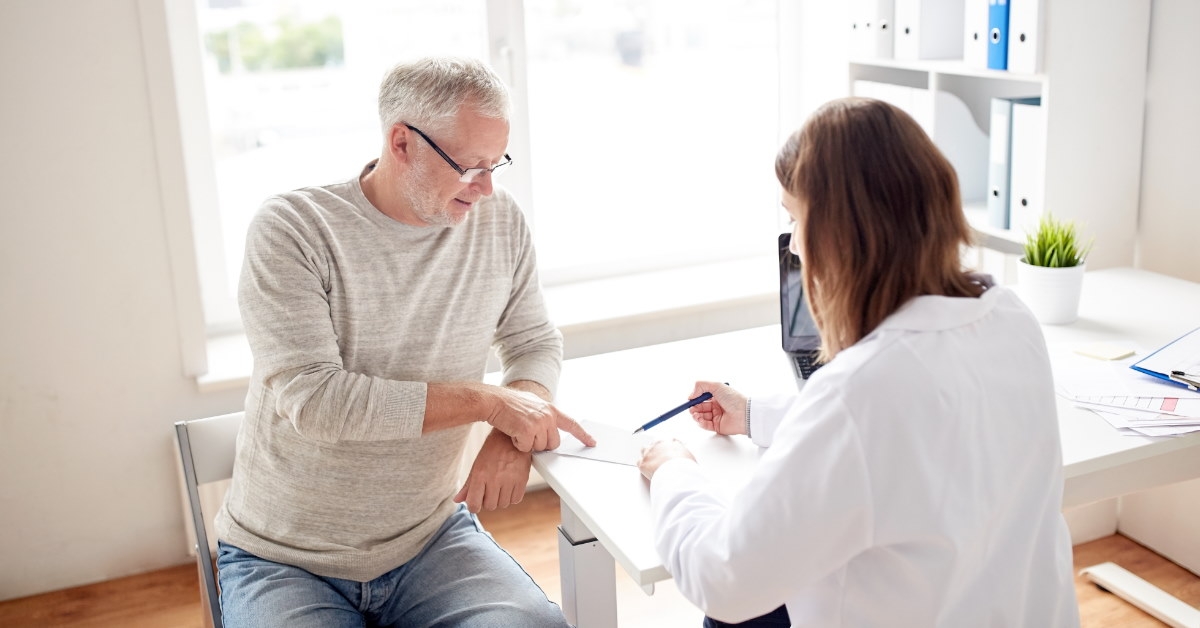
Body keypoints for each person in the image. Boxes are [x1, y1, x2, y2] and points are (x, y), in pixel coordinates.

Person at [637, 97, 1080, 627]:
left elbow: (721, 580)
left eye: (796, 219)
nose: (795, 247)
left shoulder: (859, 393)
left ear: (842, 235)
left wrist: (674, 472)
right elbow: (912, 437)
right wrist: (753, 414)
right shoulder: (1011, 319)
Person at [214, 56, 594, 628]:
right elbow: (317, 402)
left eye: (497, 164)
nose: (487, 188)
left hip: (429, 538)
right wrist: (491, 403)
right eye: (470, 166)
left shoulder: (498, 222)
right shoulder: (294, 229)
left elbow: (534, 339)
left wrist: (510, 434)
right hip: (284, 559)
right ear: (402, 143)